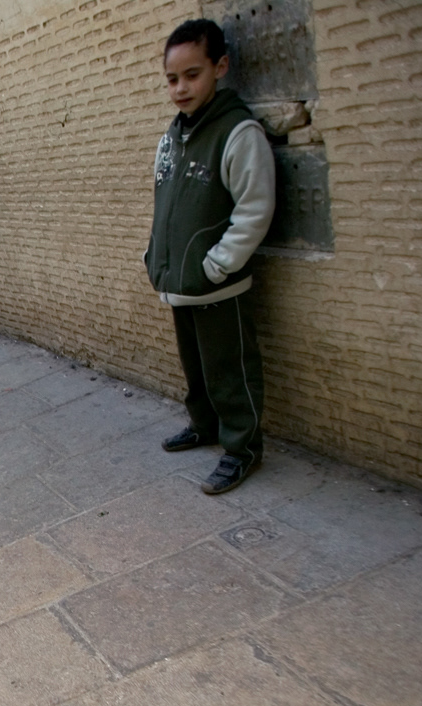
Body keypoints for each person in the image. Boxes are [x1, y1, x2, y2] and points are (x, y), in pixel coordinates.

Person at [146, 18, 275, 495]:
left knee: (229, 369)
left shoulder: (238, 133)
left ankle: (242, 448)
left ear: (220, 67)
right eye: (172, 79)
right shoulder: (171, 137)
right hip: (178, 281)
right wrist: (154, 255)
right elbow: (165, 204)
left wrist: (217, 264)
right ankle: (204, 425)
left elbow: (255, 209)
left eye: (192, 75)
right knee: (195, 366)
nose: (180, 89)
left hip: (218, 283)